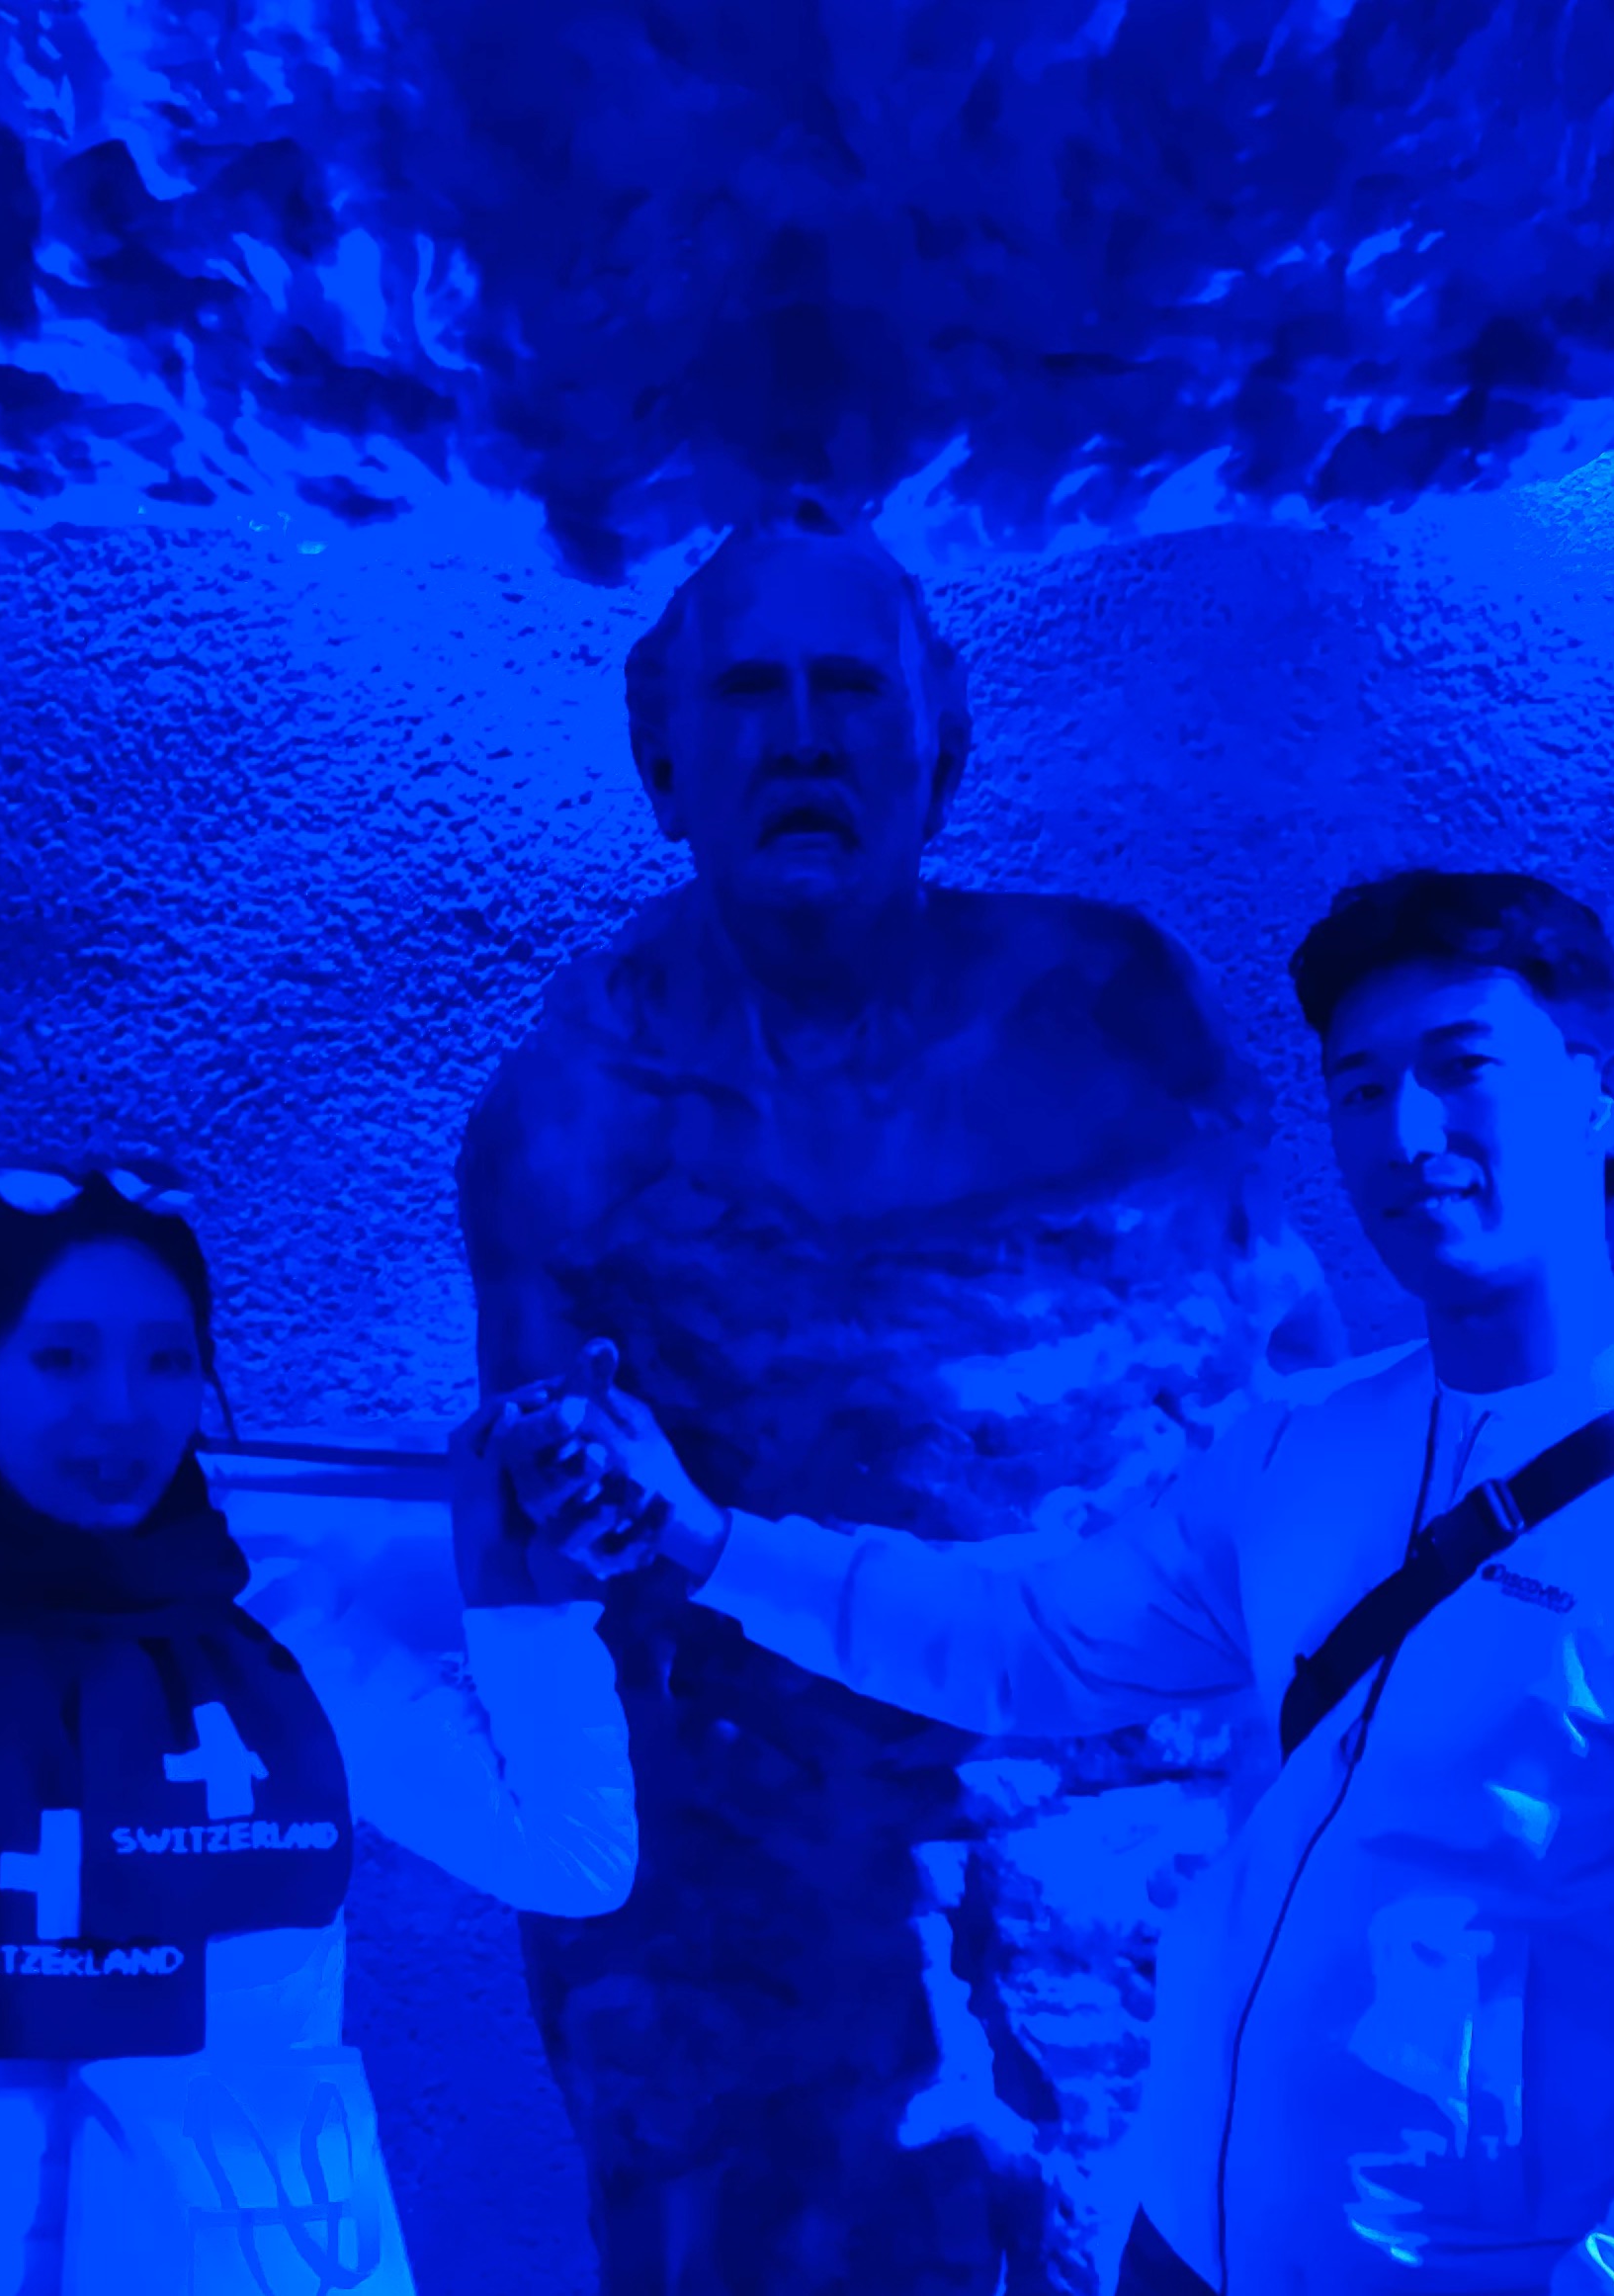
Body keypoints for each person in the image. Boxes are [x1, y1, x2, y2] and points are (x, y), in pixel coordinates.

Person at [500, 870, 1614, 2296]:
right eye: (1361, 1087)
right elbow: (1026, 1639)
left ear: (1605, 1100)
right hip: (1181, 2252)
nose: (1407, 1131)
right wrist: (710, 1539)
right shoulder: (1308, 1447)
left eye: (1462, 1067)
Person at [458, 493, 1344, 2292]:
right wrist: (553, 1503)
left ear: (941, 746)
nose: (803, 736)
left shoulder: (1110, 1027)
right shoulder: (572, 1116)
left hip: (1113, 1838)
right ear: (662, 762)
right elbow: (543, 1568)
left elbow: (1295, 1389)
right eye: (751, 692)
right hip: (748, 1886)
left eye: (849, 687)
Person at [0, 1161, 636, 2296]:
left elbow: (568, 1857)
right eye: (64, 1358)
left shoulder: (286, 1632)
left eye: (164, 1360)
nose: (120, 1409)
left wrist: (522, 1593)